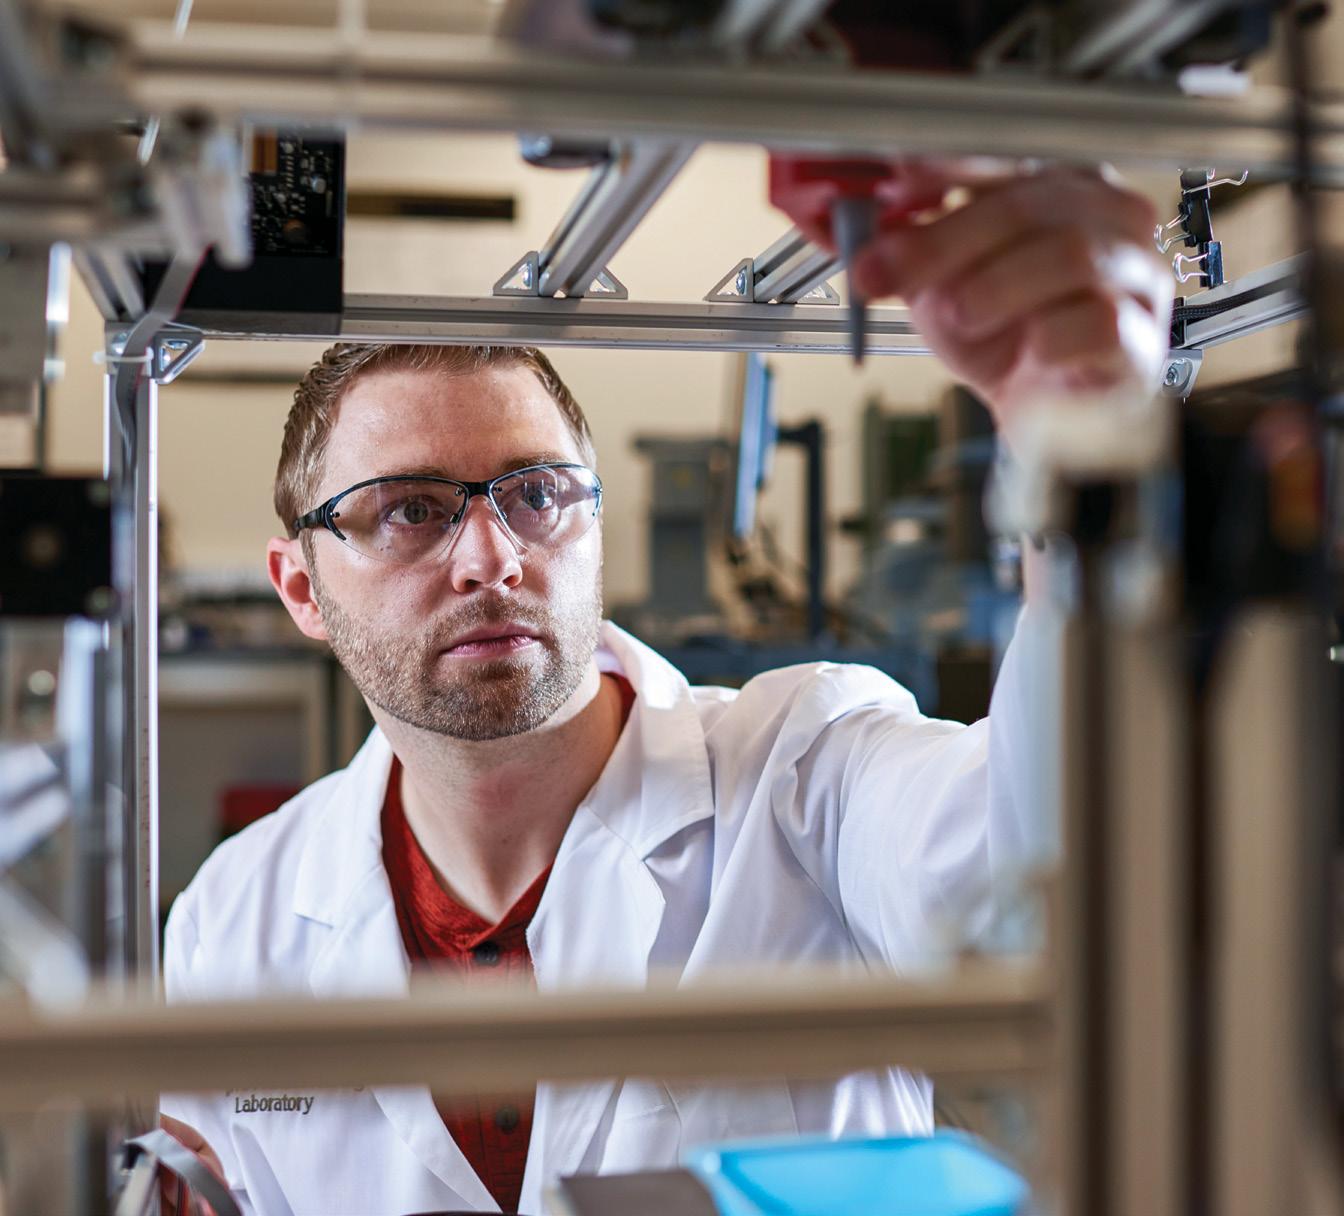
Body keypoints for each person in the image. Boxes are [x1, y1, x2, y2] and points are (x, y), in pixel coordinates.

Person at [158, 164, 1171, 1215]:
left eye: (536, 494)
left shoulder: (807, 777)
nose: (492, 558)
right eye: (410, 510)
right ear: (301, 589)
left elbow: (1044, 883)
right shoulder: (234, 917)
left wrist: (1076, 437)